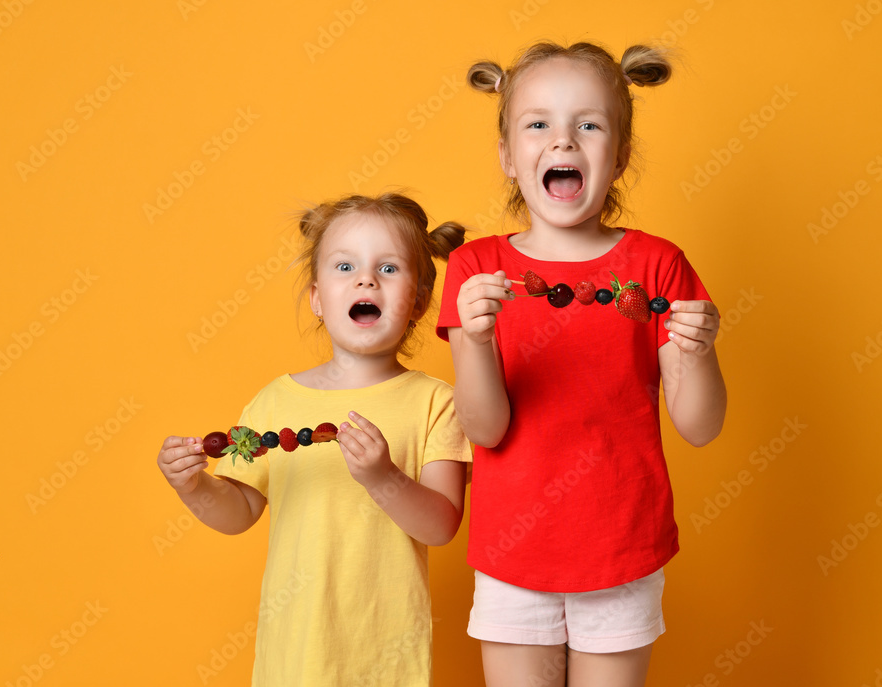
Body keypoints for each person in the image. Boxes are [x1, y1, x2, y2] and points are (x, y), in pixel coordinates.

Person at [437, 42, 727, 687]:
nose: (562, 141)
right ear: (509, 157)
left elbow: (700, 426)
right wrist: (479, 341)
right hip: (513, 554)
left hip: (623, 548)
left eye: (588, 125)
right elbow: (484, 430)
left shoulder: (658, 266)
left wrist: (697, 353)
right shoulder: (476, 271)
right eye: (537, 123)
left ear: (619, 156)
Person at [157, 193, 471, 686]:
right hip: (296, 658)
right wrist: (193, 487)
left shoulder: (436, 402)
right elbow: (238, 512)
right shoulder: (274, 402)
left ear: (419, 301)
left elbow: (440, 526)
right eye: (345, 266)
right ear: (318, 299)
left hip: (387, 661)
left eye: (388, 269)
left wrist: (382, 477)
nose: (366, 279)